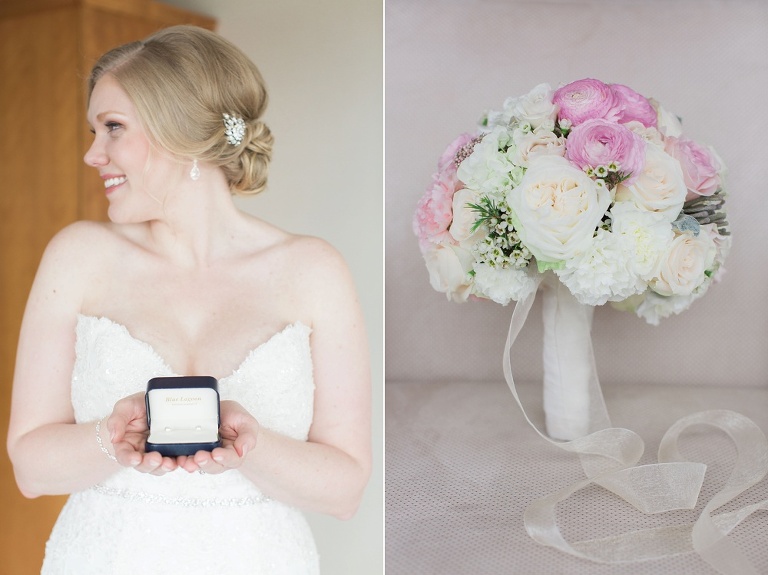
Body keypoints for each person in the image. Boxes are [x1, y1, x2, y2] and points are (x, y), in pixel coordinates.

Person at [6, 25, 371, 574]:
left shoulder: (313, 270)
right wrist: (109, 438)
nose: (91, 154)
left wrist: (255, 446)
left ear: (178, 129)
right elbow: (29, 469)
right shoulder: (78, 256)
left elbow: (344, 492)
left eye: (112, 129)